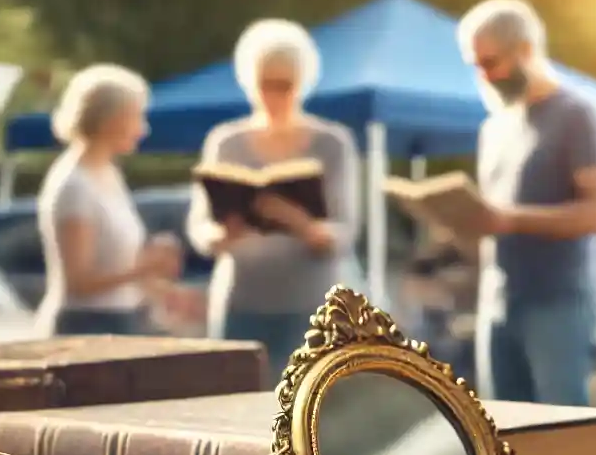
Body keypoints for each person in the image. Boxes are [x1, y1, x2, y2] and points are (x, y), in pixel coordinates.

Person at [456, 0, 596, 406]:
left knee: (561, 437)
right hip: (498, 302)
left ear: (526, 52)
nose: (484, 76)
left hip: (558, 303)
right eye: (475, 66)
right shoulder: (494, 128)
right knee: (504, 436)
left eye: (490, 63)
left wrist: (512, 220)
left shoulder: (577, 115)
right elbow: (493, 218)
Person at [188, 19, 361, 372]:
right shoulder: (225, 141)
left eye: (285, 86)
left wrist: (296, 221)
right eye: (265, 85)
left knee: (305, 412)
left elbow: (345, 230)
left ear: (302, 84)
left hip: (309, 303)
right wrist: (221, 234)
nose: (274, 96)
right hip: (241, 301)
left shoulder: (332, 142)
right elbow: (199, 226)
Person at [38, 64, 180, 337]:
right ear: (109, 119)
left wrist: (165, 289)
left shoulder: (107, 173)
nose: (143, 129)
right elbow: (78, 282)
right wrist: (145, 267)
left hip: (122, 321)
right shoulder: (74, 184)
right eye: (136, 117)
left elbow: (116, 266)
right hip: (84, 327)